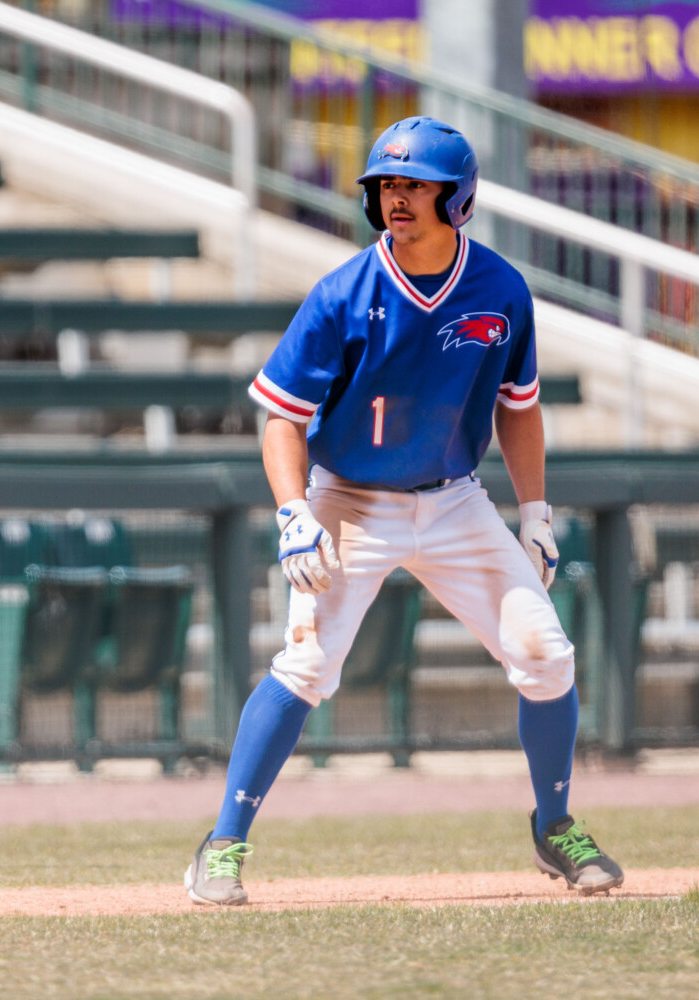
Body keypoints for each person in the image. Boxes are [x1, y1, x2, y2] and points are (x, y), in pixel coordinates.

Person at [184, 116, 623, 906]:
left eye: (415, 184)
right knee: (307, 668)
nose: (397, 198)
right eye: (386, 184)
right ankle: (221, 844)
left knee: (545, 654)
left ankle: (554, 827)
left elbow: (517, 407)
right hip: (349, 499)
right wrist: (293, 513)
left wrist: (534, 513)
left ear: (458, 200)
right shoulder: (343, 293)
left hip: (454, 501)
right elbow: (281, 417)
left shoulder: (499, 289)